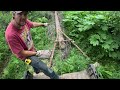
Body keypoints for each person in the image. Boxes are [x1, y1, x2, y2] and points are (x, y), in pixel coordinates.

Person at [5, 11, 59, 79]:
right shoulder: (11, 34)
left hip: (30, 48)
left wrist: (43, 24)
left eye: (25, 14)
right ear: (13, 15)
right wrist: (38, 53)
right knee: (45, 68)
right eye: (20, 14)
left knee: (36, 66)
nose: (23, 17)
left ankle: (37, 72)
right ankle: (56, 77)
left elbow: (32, 24)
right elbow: (22, 53)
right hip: (26, 56)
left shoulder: (23, 22)